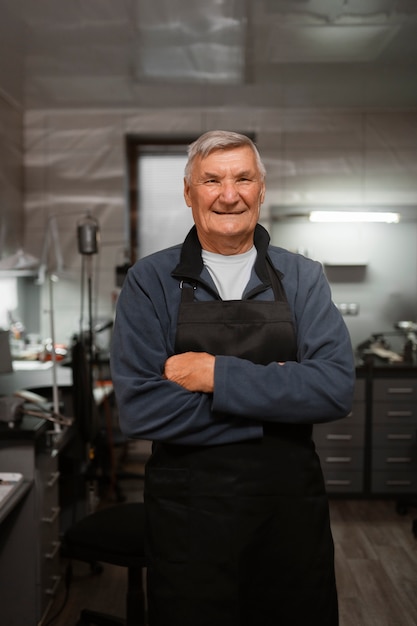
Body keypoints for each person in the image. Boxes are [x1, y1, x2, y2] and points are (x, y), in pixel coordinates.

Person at [110, 130, 355, 626]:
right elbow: (140, 408)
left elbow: (333, 389)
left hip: (288, 513)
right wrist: (277, 402)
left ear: (261, 190)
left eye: (244, 178)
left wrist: (214, 373)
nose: (229, 194)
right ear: (189, 193)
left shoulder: (303, 277)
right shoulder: (150, 281)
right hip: (189, 517)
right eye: (212, 180)